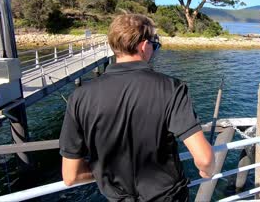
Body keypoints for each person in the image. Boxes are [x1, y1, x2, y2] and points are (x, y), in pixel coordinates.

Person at [59, 14, 214, 201]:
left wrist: (103, 174)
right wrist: (208, 172)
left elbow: (70, 176)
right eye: (154, 45)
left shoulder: (79, 97)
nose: (153, 50)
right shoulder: (172, 88)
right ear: (143, 45)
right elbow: (204, 159)